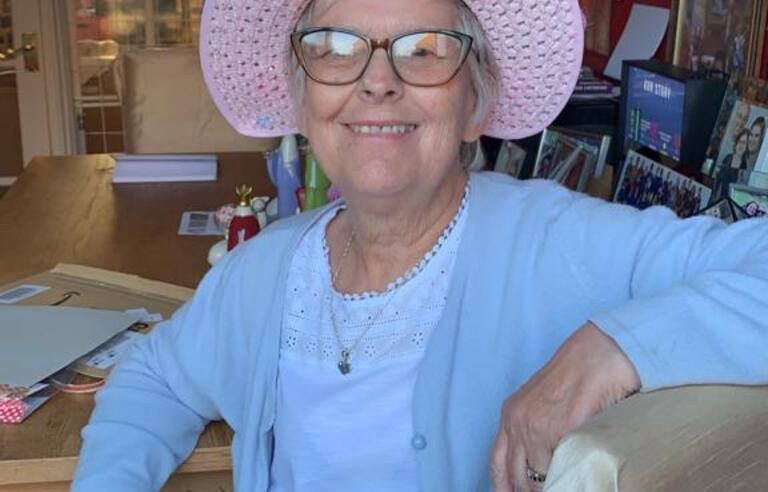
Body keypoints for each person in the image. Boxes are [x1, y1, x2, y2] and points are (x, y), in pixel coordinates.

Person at [72, 0, 768, 491]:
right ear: (305, 101)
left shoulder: (559, 243)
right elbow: (155, 377)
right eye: (337, 49)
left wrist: (616, 347)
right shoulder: (264, 274)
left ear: (475, 104)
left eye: (426, 51)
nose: (378, 81)